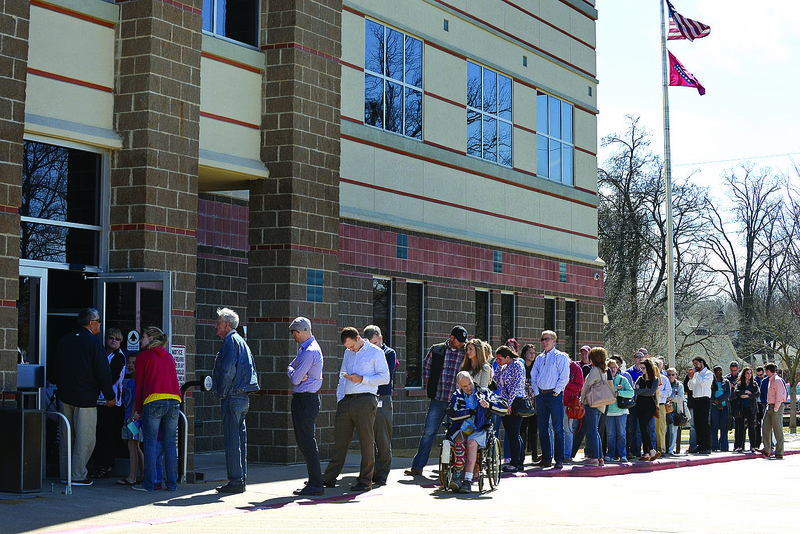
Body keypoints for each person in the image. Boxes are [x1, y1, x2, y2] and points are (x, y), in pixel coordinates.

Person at [52, 307, 115, 486]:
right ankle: (78, 474)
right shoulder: (94, 344)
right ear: (91, 323)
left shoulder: (64, 341)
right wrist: (110, 396)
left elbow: (56, 370)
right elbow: (103, 373)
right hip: (86, 398)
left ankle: (65, 474)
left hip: (65, 396)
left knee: (66, 437)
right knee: (85, 438)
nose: (100, 325)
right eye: (99, 322)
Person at [323, 327, 390, 492]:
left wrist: (362, 379)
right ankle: (329, 478)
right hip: (347, 400)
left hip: (365, 399)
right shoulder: (348, 353)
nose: (350, 350)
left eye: (352, 346)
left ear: (358, 338)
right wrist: (340, 399)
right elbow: (342, 376)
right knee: (340, 441)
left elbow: (385, 378)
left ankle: (365, 480)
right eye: (347, 348)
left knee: (366, 441)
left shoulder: (376, 352)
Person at [405, 326, 467, 477]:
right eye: (459, 341)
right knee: (429, 432)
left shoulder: (465, 352)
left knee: (455, 434)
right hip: (438, 398)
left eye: (463, 342)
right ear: (451, 338)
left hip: (456, 401)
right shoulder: (437, 349)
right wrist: (429, 381)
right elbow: (426, 366)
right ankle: (417, 466)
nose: (461, 344)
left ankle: (453, 467)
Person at [211, 308, 260, 494]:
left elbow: (228, 370)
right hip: (242, 397)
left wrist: (221, 392)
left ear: (227, 324)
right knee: (239, 439)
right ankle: (240, 479)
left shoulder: (231, 341)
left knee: (232, 440)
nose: (216, 325)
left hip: (233, 396)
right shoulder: (241, 341)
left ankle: (236, 480)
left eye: (218, 322)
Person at [133, 326, 181, 492]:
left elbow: (139, 385)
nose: (141, 341)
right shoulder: (169, 357)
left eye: (143, 337)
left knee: (150, 443)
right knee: (169, 444)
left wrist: (138, 409)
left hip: (153, 401)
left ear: (151, 339)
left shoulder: (144, 357)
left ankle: (149, 483)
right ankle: (172, 484)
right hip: (174, 401)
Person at [444, 371, 508, 493]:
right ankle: (457, 475)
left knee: (472, 443)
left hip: (480, 428)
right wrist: (470, 412)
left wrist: (489, 405)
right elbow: (452, 414)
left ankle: (467, 480)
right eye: (464, 386)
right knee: (459, 440)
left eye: (470, 384)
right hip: (462, 428)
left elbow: (503, 406)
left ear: (473, 379)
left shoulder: (484, 392)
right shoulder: (456, 396)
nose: (468, 388)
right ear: (458, 385)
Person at [287, 317, 324, 496]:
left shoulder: (309, 351)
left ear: (301, 331)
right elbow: (291, 368)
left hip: (306, 400)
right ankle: (314, 480)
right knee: (305, 441)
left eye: (295, 332)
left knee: (307, 442)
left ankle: (316, 483)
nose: (294, 335)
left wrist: (294, 373)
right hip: (305, 399)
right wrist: (294, 371)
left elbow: (294, 378)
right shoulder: (306, 349)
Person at [529, 330, 570, 469]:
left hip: (554, 395)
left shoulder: (560, 357)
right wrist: (536, 392)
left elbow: (564, 376)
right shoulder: (540, 358)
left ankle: (559, 459)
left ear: (554, 340)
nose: (544, 342)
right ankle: (546, 458)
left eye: (547, 339)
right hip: (541, 395)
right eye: (542, 339)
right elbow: (533, 375)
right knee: (543, 427)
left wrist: (557, 391)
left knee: (558, 428)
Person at [90, 327, 127, 479]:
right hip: (99, 400)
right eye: (111, 338)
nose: (113, 341)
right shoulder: (102, 354)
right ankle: (99, 464)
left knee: (107, 435)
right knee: (98, 434)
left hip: (112, 402)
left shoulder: (119, 357)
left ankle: (107, 466)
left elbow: (112, 378)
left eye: (117, 339)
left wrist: (107, 395)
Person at [363, 324, 397, 487]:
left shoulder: (389, 353)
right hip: (366, 397)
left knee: (382, 437)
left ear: (381, 339)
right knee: (367, 438)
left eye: (375, 343)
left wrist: (365, 376)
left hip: (382, 397)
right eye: (370, 344)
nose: (373, 348)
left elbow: (384, 377)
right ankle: (369, 472)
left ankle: (382, 473)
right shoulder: (361, 353)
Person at [494, 345, 526, 472]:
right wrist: (498, 368)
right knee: (512, 433)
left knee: (513, 433)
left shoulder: (517, 365)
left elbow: (515, 385)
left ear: (508, 357)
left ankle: (515, 462)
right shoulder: (503, 366)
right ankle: (519, 460)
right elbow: (496, 381)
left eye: (500, 359)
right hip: (504, 401)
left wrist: (509, 404)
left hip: (515, 402)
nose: (498, 361)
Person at [579, 347, 612, 466]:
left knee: (592, 431)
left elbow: (586, 387)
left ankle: (594, 457)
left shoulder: (594, 370)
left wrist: (581, 400)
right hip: (601, 404)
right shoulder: (604, 371)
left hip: (592, 403)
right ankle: (600, 457)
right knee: (596, 431)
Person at [117, 354, 144, 486]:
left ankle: (132, 476)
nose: (130, 365)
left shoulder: (138, 381)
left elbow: (136, 401)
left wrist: (132, 417)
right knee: (135, 445)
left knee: (133, 445)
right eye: (129, 362)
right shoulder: (129, 381)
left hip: (133, 419)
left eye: (134, 363)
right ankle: (142, 474)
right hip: (129, 416)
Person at [605, 357, 633, 462]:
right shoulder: (605, 380)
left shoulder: (623, 379)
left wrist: (619, 393)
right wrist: (616, 388)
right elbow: (603, 392)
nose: (612, 369)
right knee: (610, 434)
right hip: (608, 412)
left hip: (621, 411)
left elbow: (631, 393)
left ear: (617, 368)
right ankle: (610, 454)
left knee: (621, 433)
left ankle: (623, 455)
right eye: (610, 367)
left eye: (614, 367)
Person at [634, 358, 660, 461]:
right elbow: (635, 391)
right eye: (641, 368)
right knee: (642, 428)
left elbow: (652, 392)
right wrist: (645, 390)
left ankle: (652, 451)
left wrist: (642, 391)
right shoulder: (640, 379)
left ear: (649, 368)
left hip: (650, 406)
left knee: (645, 427)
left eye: (643, 368)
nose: (642, 370)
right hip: (640, 406)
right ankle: (646, 453)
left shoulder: (655, 380)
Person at [569, 345, 593, 460]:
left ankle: (589, 452)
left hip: (591, 401)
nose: (584, 356)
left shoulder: (593, 367)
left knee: (589, 428)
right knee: (576, 427)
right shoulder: (577, 366)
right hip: (577, 401)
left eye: (586, 354)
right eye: (582, 354)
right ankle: (571, 453)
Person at [759, 363, 785, 459]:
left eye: (766, 371)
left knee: (777, 429)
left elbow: (780, 395)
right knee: (765, 427)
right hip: (769, 405)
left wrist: (776, 407)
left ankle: (779, 451)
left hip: (776, 406)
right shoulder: (770, 380)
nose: (765, 373)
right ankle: (767, 449)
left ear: (769, 371)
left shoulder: (777, 380)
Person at [687, 356, 714, 455]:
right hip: (696, 400)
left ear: (702, 362)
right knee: (697, 423)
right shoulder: (696, 375)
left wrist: (695, 374)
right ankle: (700, 445)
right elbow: (690, 387)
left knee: (704, 424)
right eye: (694, 364)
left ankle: (707, 446)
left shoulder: (708, 373)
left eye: (696, 364)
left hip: (704, 400)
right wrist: (691, 378)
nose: (695, 366)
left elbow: (703, 383)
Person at [562, 352, 584, 464]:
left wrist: (567, 384)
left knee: (568, 429)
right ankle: (556, 453)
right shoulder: (558, 367)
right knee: (555, 428)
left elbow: (580, 386)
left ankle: (567, 455)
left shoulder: (576, 368)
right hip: (557, 401)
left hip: (569, 403)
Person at [518, 343, 539, 465]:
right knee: (522, 429)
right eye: (530, 352)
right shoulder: (520, 366)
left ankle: (534, 455)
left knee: (533, 429)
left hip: (533, 401)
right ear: (524, 353)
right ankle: (521, 454)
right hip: (522, 402)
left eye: (533, 353)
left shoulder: (536, 368)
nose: (532, 355)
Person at [732, 366, 759, 453]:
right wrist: (745, 392)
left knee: (751, 427)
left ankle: (753, 446)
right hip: (741, 407)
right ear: (744, 374)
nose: (749, 375)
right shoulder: (740, 384)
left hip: (751, 408)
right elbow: (736, 392)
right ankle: (740, 445)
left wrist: (747, 396)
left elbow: (757, 394)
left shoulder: (754, 384)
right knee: (740, 427)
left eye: (750, 373)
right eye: (747, 373)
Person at [625, 348, 646, 459]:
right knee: (630, 427)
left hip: (642, 402)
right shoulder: (629, 371)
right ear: (634, 359)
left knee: (639, 427)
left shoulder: (645, 371)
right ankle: (630, 450)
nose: (639, 359)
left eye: (641, 357)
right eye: (637, 357)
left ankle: (638, 450)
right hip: (632, 402)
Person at [710, 365, 731, 452]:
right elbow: (710, 393)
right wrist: (716, 402)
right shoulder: (711, 382)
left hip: (724, 406)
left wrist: (720, 400)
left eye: (720, 371)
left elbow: (728, 393)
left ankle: (724, 446)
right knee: (714, 426)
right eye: (717, 371)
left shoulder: (726, 382)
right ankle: (714, 446)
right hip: (714, 406)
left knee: (724, 427)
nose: (719, 373)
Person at [665, 368, 685, 456]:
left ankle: (670, 449)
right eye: (669, 375)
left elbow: (681, 398)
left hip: (675, 411)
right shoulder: (664, 383)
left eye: (672, 375)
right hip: (665, 411)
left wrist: (671, 398)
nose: (670, 377)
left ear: (676, 375)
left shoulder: (679, 385)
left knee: (673, 431)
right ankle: (663, 448)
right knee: (664, 430)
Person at [655, 357, 670, 454]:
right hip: (650, 405)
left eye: (657, 366)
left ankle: (661, 449)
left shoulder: (664, 379)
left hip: (660, 405)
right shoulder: (647, 378)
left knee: (661, 428)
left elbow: (668, 392)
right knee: (651, 428)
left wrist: (657, 392)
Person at [754, 366, 766, 449]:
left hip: (765, 404)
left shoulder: (767, 380)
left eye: (761, 374)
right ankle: (757, 443)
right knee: (757, 424)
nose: (760, 376)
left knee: (766, 425)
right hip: (757, 403)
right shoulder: (755, 380)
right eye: (758, 375)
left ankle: (768, 444)